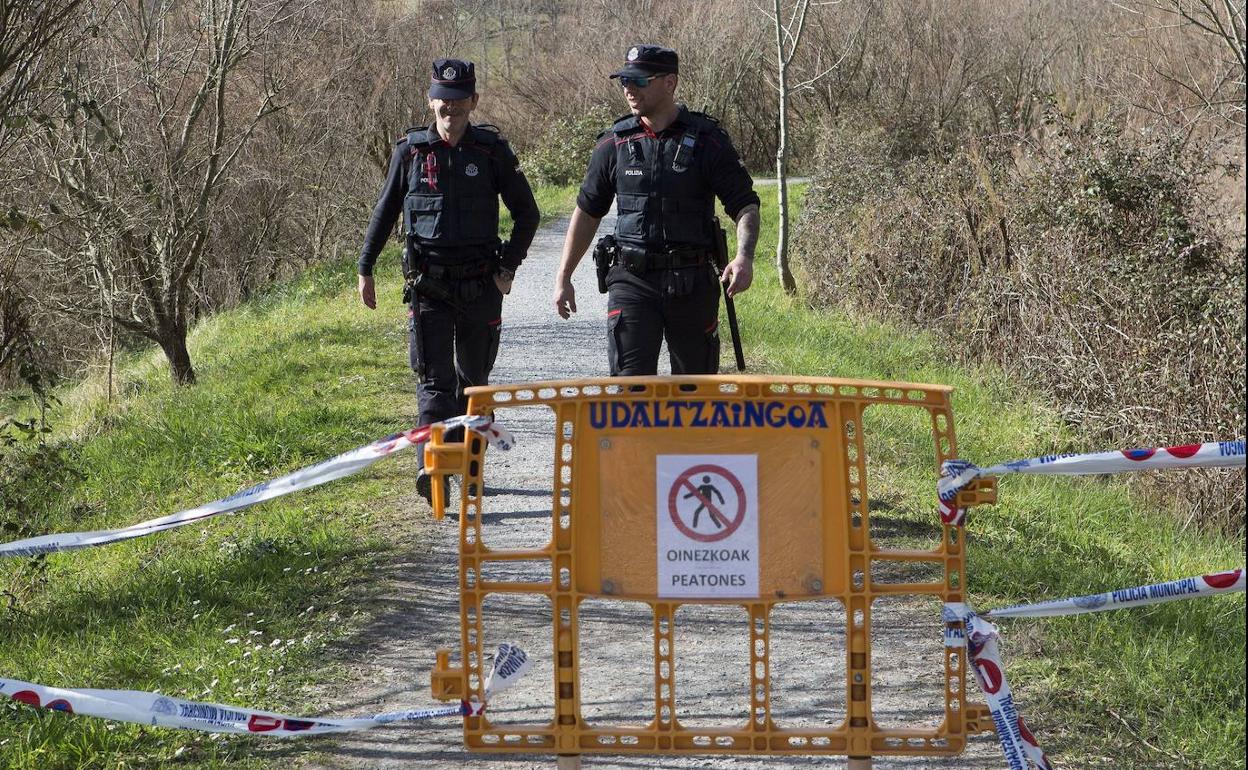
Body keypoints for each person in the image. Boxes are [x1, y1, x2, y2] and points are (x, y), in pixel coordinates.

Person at [358, 58, 539, 503]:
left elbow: (527, 214)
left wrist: (507, 268)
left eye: (459, 100)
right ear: (430, 99)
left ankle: (470, 464)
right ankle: (432, 469)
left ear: (473, 101)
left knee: (472, 382)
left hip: (480, 286)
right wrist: (365, 268)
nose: (450, 108)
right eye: (443, 99)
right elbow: (384, 214)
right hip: (428, 287)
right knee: (433, 382)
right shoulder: (411, 152)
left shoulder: (492, 151)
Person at [552, 44, 760, 375]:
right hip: (631, 282)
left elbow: (745, 204)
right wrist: (564, 276)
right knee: (630, 395)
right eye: (624, 81)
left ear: (670, 82)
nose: (629, 89)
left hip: (691, 283)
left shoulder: (707, 141)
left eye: (639, 81)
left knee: (694, 396)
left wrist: (744, 257)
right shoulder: (614, 144)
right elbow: (588, 212)